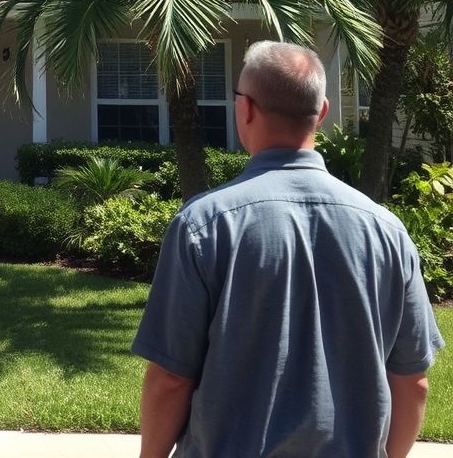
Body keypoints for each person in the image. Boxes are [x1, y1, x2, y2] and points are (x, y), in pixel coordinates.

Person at [133, 41, 444, 458]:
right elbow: (412, 380)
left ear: (245, 110)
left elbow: (171, 377)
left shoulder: (204, 225)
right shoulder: (387, 231)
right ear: (322, 112)